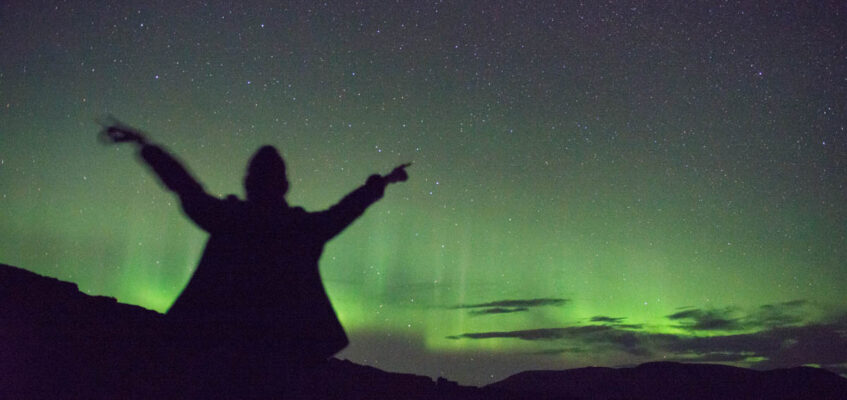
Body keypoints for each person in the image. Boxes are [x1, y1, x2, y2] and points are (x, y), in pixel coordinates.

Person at [100, 121, 409, 394]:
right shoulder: (301, 229)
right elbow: (347, 209)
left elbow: (185, 186)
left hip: (222, 350)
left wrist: (146, 146)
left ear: (249, 183)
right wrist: (383, 182)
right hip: (282, 357)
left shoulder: (229, 219)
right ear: (284, 185)